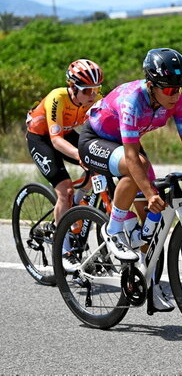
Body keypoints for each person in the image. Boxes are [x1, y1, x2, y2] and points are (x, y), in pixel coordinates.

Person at [78, 48, 182, 313]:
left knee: (151, 223)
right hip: (95, 141)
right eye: (168, 90)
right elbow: (133, 157)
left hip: (125, 146)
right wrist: (149, 191)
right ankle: (112, 231)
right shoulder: (133, 100)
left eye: (180, 88)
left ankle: (151, 285)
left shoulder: (178, 102)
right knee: (142, 173)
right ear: (151, 84)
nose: (176, 95)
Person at [26, 59, 104, 272]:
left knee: (97, 165)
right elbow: (56, 141)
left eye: (96, 89)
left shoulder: (93, 99)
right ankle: (64, 251)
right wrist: (81, 157)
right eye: (87, 90)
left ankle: (75, 208)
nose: (92, 95)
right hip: (41, 138)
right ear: (72, 87)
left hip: (67, 134)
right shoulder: (57, 97)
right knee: (65, 190)